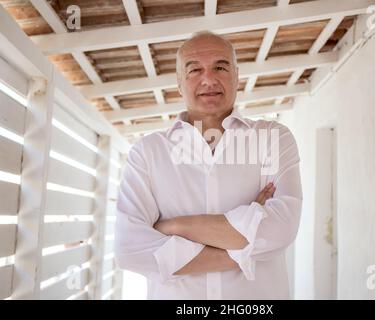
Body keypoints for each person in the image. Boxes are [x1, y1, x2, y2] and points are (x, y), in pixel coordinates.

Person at [114, 31, 302, 299]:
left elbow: (280, 229)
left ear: (237, 75)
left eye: (220, 67)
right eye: (194, 70)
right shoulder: (147, 152)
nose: (209, 79)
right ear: (179, 83)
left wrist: (175, 227)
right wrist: (244, 247)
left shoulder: (272, 138)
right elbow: (130, 250)